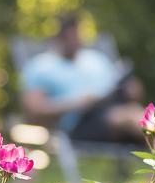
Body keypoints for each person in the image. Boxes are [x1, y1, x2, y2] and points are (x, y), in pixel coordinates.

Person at [20, 13, 147, 143]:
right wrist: (78, 103)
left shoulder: (96, 59)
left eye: (77, 35)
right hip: (81, 122)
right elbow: (34, 111)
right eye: (70, 37)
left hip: (115, 106)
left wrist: (132, 90)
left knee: (146, 117)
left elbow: (133, 93)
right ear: (58, 38)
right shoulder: (41, 67)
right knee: (132, 118)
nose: (76, 41)